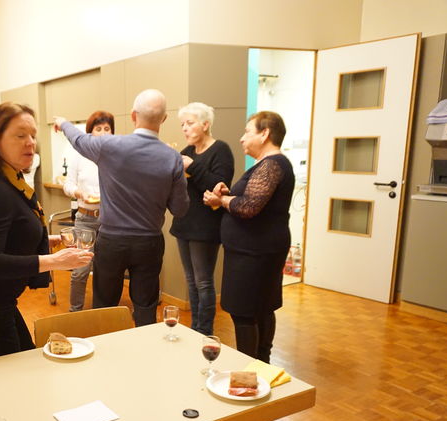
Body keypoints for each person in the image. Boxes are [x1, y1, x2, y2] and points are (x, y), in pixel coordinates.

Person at [0, 102, 92, 360]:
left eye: (33, 135)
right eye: (20, 135)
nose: (30, 143)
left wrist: (46, 240)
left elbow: (9, 234)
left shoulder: (9, 180)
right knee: (12, 374)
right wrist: (55, 261)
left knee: (25, 361)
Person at [54, 89, 189, 326]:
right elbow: (180, 209)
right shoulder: (172, 157)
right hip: (149, 242)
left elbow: (78, 139)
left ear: (134, 115)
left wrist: (63, 123)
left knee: (104, 305)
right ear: (164, 119)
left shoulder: (109, 145)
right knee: (145, 306)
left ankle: (107, 347)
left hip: (112, 241)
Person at [204, 111, 294, 363]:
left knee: (245, 311)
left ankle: (250, 367)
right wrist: (228, 194)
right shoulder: (268, 164)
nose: (242, 138)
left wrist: (220, 200)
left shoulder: (273, 164)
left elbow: (249, 207)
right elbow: (251, 199)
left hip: (254, 252)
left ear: (265, 134)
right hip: (256, 249)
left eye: (247, 132)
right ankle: (260, 364)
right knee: (262, 307)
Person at [170, 102, 234, 335]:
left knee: (203, 282)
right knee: (191, 281)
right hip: (184, 223)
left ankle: (204, 331)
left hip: (206, 227)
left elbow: (219, 187)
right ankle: (194, 328)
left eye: (190, 123)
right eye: (182, 125)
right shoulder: (186, 152)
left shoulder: (221, 150)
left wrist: (193, 167)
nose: (185, 129)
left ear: (205, 125)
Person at [62, 110, 114, 312]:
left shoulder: (115, 155)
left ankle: (101, 311)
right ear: (90, 132)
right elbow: (68, 185)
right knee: (80, 270)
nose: (103, 132)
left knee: (104, 270)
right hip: (85, 218)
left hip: (109, 220)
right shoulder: (79, 155)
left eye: (107, 128)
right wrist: (78, 192)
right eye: (98, 129)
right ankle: (75, 311)